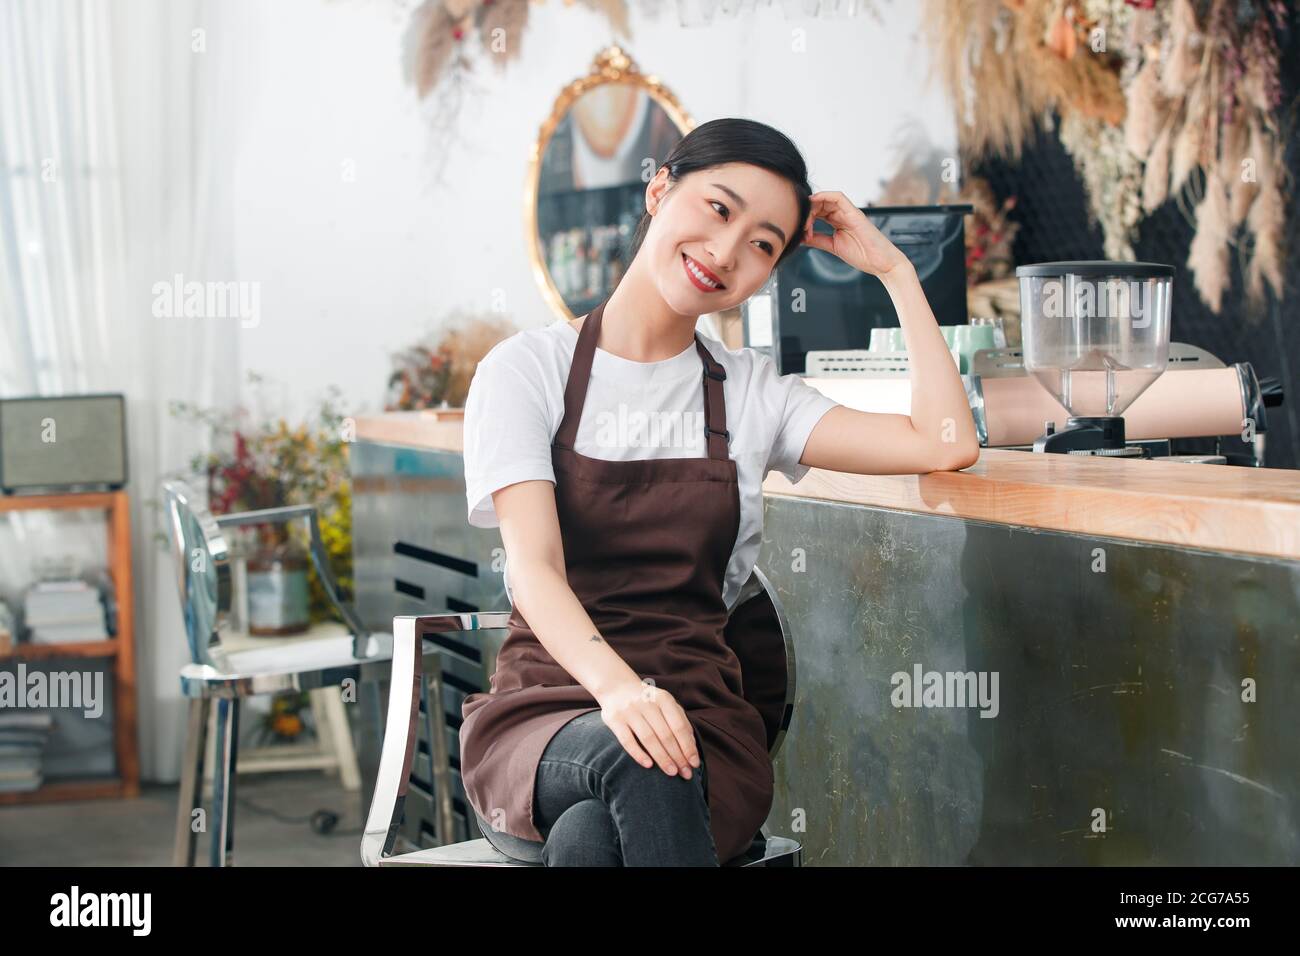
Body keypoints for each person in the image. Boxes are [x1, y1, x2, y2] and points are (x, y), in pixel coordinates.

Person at [460, 117, 979, 867]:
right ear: (660, 188)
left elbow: (946, 442)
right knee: (633, 758)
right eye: (718, 209)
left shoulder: (753, 396)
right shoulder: (525, 372)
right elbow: (534, 569)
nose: (727, 252)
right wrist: (622, 694)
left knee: (589, 842)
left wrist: (896, 269)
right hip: (551, 714)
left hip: (704, 723)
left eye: (764, 244)